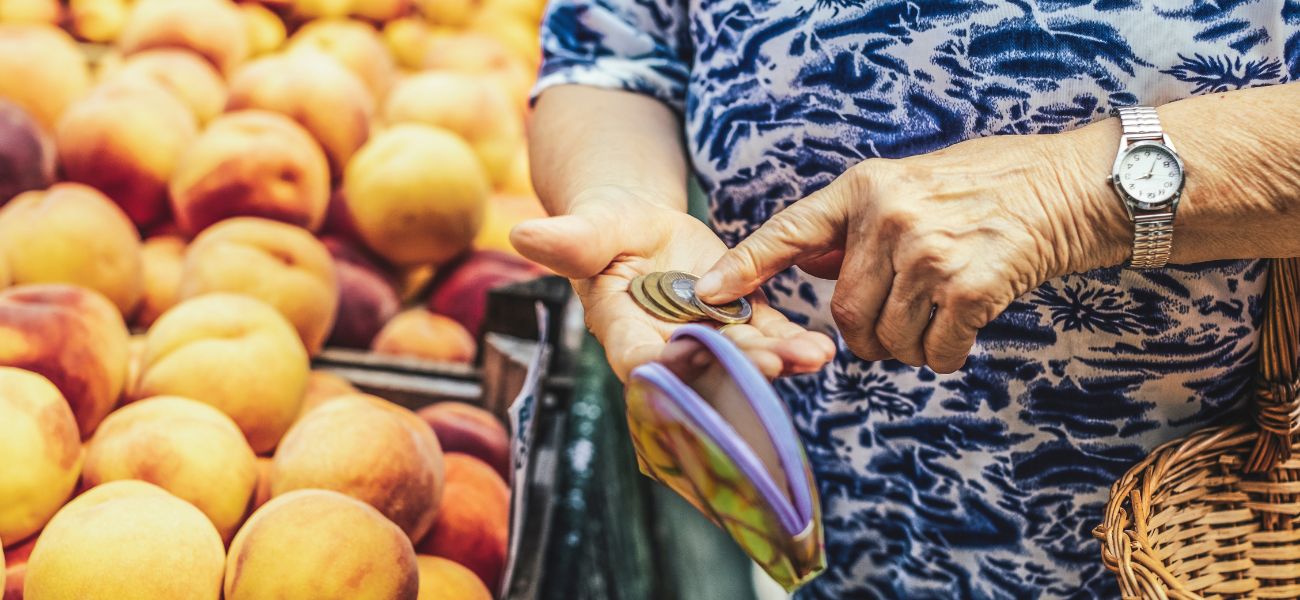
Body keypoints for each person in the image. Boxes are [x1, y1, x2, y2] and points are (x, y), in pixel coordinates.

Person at [511, 1, 1300, 597]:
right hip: (844, 512)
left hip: (1199, 534)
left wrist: (1079, 191)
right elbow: (612, 56)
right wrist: (624, 201)